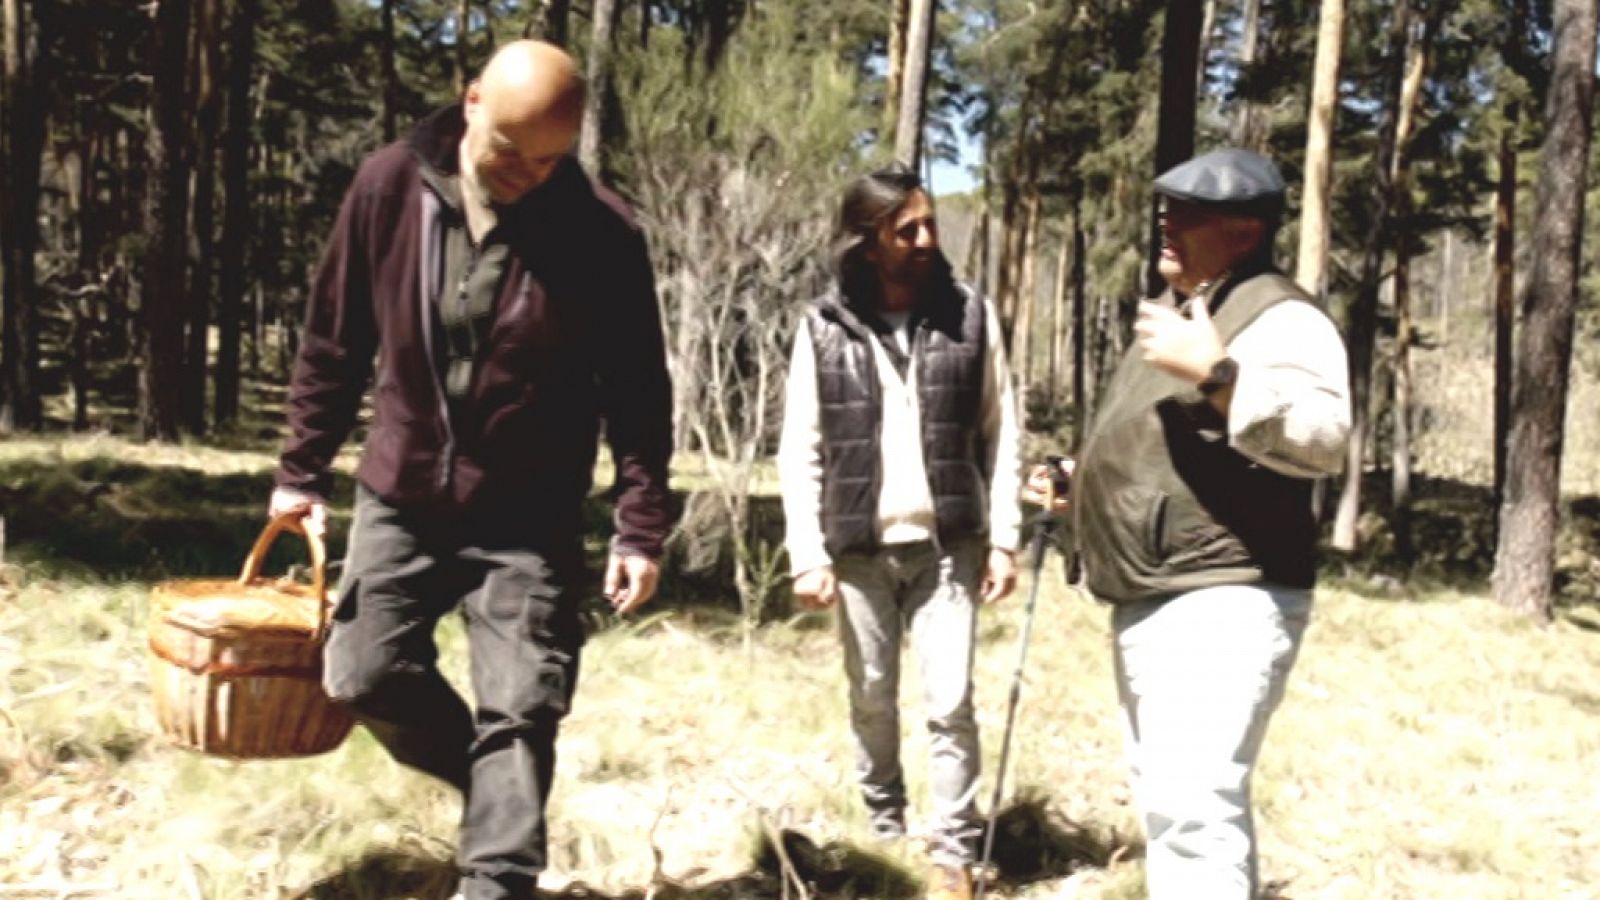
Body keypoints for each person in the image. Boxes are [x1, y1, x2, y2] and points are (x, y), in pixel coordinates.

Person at [267, 40, 674, 900]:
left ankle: (497, 873)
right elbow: (334, 341)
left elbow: (639, 391)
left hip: (529, 516)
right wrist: (300, 474)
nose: (529, 173)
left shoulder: (601, 231)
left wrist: (641, 525)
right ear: (471, 100)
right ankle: (500, 797)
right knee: (361, 673)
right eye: (510, 151)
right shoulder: (388, 186)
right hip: (402, 493)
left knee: (523, 705)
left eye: (552, 159)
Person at [1027, 148, 1350, 899]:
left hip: (1224, 595)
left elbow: (1324, 435)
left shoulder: (1278, 313)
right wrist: (1084, 484)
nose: (1165, 225)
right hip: (1162, 589)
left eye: (1188, 215)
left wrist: (1219, 373)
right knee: (1169, 805)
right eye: (1166, 209)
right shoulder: (1184, 315)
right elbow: (1167, 444)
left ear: (1243, 231)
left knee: (1196, 810)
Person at [778, 165, 1023, 900]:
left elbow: (1001, 428)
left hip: (950, 546)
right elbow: (802, 446)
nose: (925, 239)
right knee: (873, 695)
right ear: (869, 239)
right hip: (857, 549)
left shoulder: (969, 313)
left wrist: (1004, 536)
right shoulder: (823, 326)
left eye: (928, 224)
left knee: (950, 701)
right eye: (905, 228)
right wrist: (806, 553)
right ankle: (884, 829)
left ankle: (954, 845)